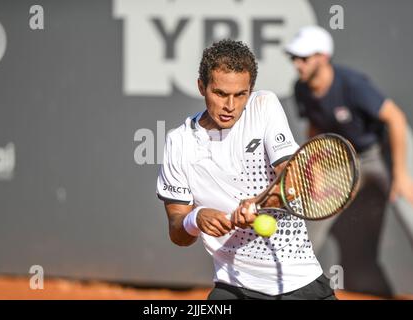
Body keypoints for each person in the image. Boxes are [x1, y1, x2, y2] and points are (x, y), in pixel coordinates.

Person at [156, 39, 336, 300]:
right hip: (233, 285)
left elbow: (294, 181)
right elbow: (177, 232)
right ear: (201, 87)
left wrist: (258, 203)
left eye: (241, 94)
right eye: (220, 94)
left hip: (298, 281)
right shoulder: (178, 142)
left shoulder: (264, 106)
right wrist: (196, 218)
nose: (230, 106)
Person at [285, 25, 413, 297]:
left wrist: (402, 175)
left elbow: (396, 119)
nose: (297, 64)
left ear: (323, 57)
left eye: (304, 58)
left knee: (409, 212)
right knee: (313, 219)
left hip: (386, 152)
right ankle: (289, 285)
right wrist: (316, 170)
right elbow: (315, 130)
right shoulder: (301, 89)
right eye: (294, 58)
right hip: (347, 160)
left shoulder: (352, 84)